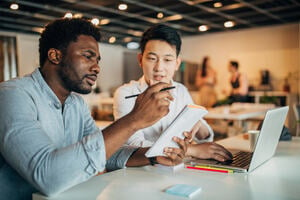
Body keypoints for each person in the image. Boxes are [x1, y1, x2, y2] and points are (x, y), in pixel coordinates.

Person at [0, 18, 189, 200]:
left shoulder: (76, 103)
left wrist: (154, 156)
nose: (97, 68)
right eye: (88, 56)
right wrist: (134, 120)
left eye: (97, 60)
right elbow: (47, 176)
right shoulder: (12, 95)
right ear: (55, 56)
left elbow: (107, 153)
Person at [114, 25, 232, 162]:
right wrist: (192, 150)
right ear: (140, 60)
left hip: (177, 166)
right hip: (140, 170)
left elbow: (205, 136)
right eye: (152, 59)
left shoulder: (180, 90)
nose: (159, 68)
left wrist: (198, 124)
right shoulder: (126, 93)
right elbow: (133, 145)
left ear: (177, 63)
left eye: (168, 60)